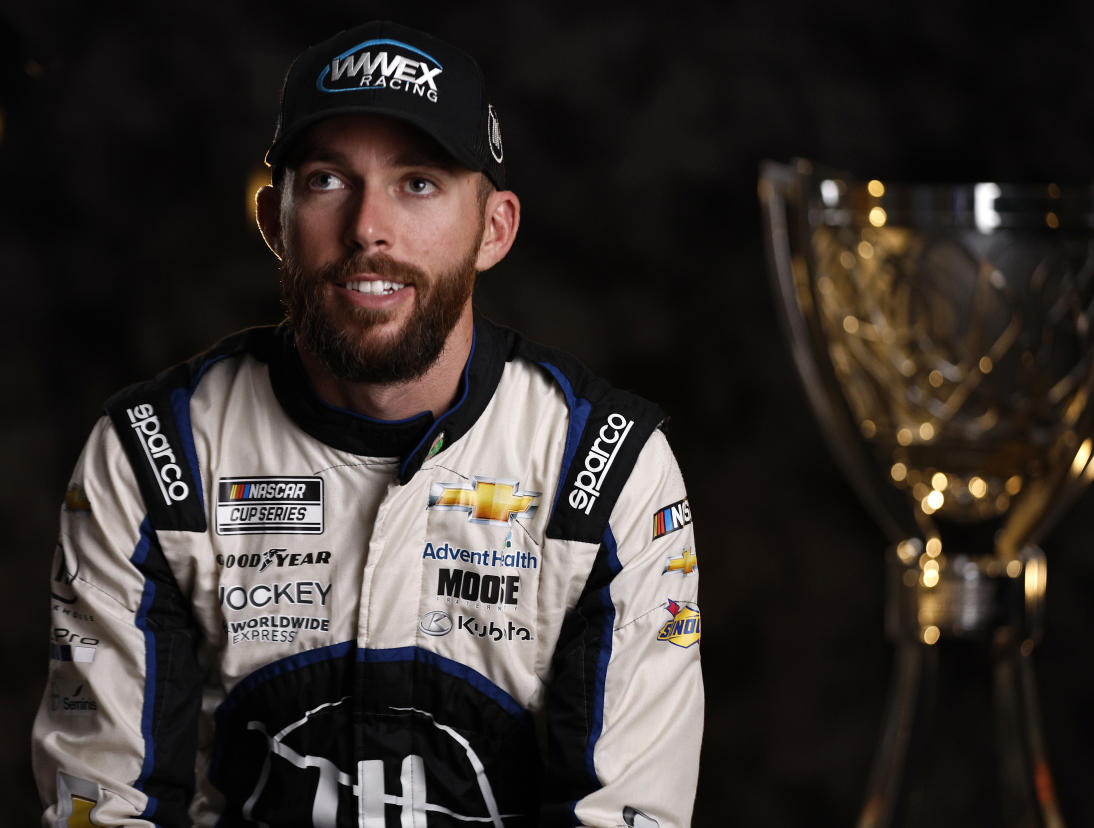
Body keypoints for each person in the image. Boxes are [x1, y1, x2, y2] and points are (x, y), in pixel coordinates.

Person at [32, 21, 702, 828]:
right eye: (325, 181)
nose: (367, 230)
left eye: (418, 183)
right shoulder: (153, 456)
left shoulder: (606, 469)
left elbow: (624, 816)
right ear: (273, 220)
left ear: (494, 228)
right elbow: (104, 811)